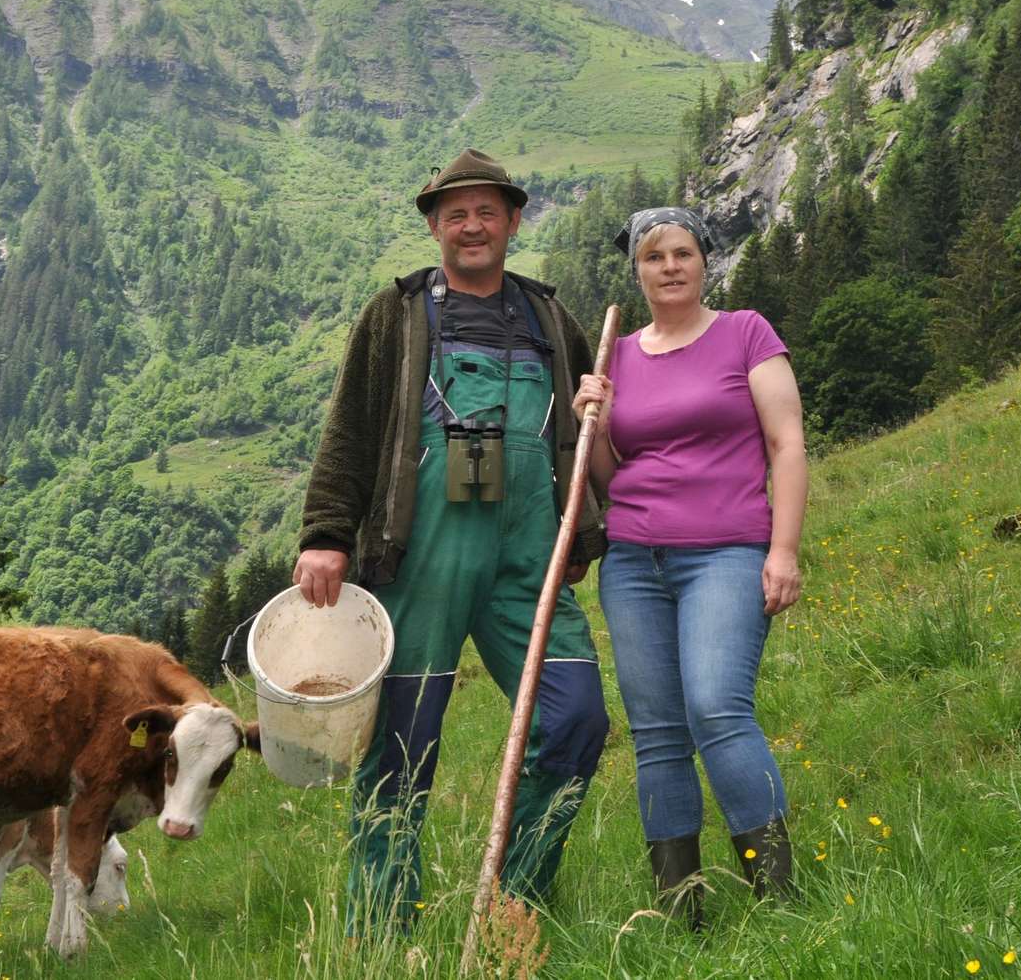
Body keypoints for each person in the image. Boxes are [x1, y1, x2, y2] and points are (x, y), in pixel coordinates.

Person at [295, 148, 611, 934]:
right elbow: (352, 428)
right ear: (436, 225)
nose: (473, 225)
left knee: (574, 720)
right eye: (456, 213)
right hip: (422, 559)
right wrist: (328, 532)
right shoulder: (396, 313)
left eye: (488, 211)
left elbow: (582, 428)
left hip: (525, 563)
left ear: (511, 221)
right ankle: (381, 931)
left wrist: (587, 530)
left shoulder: (550, 317)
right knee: (401, 747)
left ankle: (514, 909)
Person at [571, 205, 807, 923]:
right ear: (636, 270)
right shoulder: (618, 356)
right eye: (653, 256)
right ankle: (680, 911)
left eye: (682, 252)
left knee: (717, 708)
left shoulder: (745, 333)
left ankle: (780, 898)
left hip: (727, 553)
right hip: (634, 561)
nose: (669, 266)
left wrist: (784, 550)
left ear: (705, 259)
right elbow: (611, 478)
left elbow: (787, 444)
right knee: (658, 733)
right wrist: (599, 423)